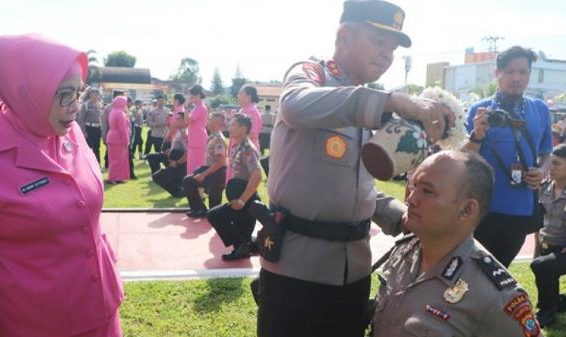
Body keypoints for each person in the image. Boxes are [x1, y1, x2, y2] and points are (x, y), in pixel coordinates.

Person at [257, 1, 455, 336]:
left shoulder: (366, 102)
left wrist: (397, 215)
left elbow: (358, 185)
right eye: (379, 42)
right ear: (344, 36)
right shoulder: (313, 75)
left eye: (392, 48)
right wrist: (389, 102)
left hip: (355, 270)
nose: (387, 54)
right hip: (295, 269)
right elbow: (293, 106)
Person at [0, 34, 123, 337]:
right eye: (64, 94)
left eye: (79, 92)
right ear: (26, 88)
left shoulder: (71, 132)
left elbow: (88, 214)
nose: (75, 106)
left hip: (101, 311)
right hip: (35, 323)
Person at [372, 150, 543, 337]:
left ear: (467, 210)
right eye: (414, 186)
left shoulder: (494, 295)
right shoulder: (405, 252)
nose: (411, 199)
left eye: (427, 191)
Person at [463, 46, 553, 268]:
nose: (517, 78)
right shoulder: (480, 109)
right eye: (510, 72)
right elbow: (462, 159)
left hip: (521, 209)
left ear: (529, 75)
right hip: (482, 208)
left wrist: (541, 171)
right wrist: (477, 135)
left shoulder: (540, 109)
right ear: (498, 74)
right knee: (472, 272)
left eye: (523, 72)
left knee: (500, 273)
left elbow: (546, 152)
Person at [207, 114, 262, 260]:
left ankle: (243, 246)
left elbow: (257, 175)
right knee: (243, 234)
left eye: (233, 125)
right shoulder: (237, 146)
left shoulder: (247, 148)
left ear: (243, 129)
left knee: (214, 215)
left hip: (246, 202)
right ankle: (245, 245)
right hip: (240, 200)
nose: (229, 127)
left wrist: (242, 200)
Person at [530, 144, 566, 327]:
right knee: (540, 264)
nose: (550, 167)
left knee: (542, 266)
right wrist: (537, 246)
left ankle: (547, 312)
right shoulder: (543, 188)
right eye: (550, 163)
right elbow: (539, 221)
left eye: (556, 163)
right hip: (547, 245)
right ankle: (557, 301)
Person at [182, 112, 228, 218]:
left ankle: (200, 209)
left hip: (216, 174)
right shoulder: (213, 136)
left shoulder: (218, 139)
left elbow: (220, 162)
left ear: (216, 124)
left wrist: (203, 174)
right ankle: (199, 209)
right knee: (188, 181)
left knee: (214, 212)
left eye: (210, 119)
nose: (208, 122)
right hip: (212, 172)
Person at [152, 112, 188, 198]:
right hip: (175, 161)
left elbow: (189, 152)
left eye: (178, 119)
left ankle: (180, 192)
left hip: (181, 164)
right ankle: (180, 190)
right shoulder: (179, 131)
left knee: (158, 176)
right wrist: (170, 151)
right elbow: (167, 141)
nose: (176, 121)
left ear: (185, 120)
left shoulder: (185, 133)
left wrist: (178, 163)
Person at [184, 85, 208, 175]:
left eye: (192, 96)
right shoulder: (197, 107)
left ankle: (197, 187)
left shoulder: (201, 107)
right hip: (194, 139)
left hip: (198, 140)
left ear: (198, 95)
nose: (190, 98)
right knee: (191, 166)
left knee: (197, 167)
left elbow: (187, 120)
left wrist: (186, 107)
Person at [107, 96, 131, 184]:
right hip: (118, 139)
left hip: (112, 137)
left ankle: (118, 177)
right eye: (125, 102)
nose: (126, 104)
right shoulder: (120, 113)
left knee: (116, 159)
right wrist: (126, 141)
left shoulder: (113, 111)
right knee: (117, 159)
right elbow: (122, 129)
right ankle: (113, 177)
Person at [77, 86, 103, 163]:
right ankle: (86, 163)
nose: (94, 96)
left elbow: (101, 117)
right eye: (92, 94)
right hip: (89, 128)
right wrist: (84, 131)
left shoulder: (100, 104)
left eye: (96, 94)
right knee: (88, 147)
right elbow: (81, 119)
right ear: (89, 95)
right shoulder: (85, 105)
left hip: (97, 129)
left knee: (97, 147)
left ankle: (97, 164)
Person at [101, 90, 125, 169]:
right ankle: (108, 165)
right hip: (111, 133)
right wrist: (104, 136)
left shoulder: (123, 107)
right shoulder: (108, 108)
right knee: (110, 152)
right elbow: (104, 123)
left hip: (121, 134)